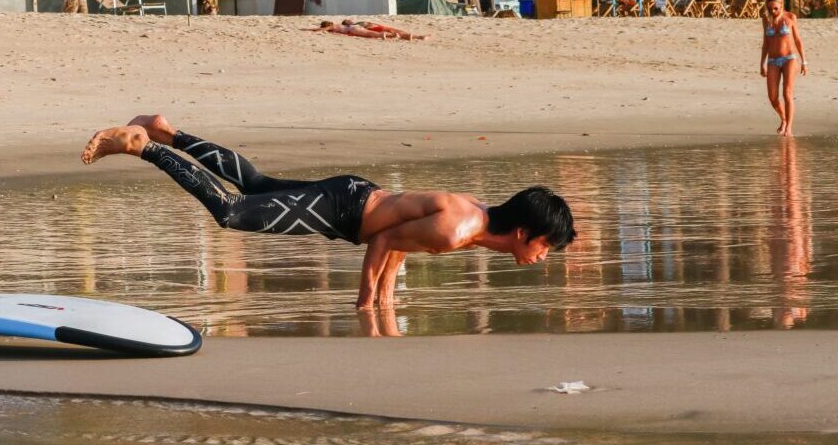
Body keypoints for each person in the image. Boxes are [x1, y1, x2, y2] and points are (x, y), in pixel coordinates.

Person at [81, 115, 576, 310]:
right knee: (231, 212)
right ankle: (143, 144)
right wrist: (366, 304)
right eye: (545, 246)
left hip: (354, 197)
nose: (543, 256)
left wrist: (386, 306)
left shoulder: (474, 217)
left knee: (255, 184)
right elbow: (384, 242)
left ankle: (168, 132)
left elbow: (400, 242)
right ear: (523, 231)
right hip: (342, 209)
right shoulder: (460, 228)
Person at [760, 0, 809, 136]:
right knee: (772, 97)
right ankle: (784, 119)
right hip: (772, 61)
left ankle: (789, 129)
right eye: (770, 9)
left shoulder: (791, 17)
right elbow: (765, 43)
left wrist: (804, 61)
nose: (773, 11)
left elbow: (798, 41)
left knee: (787, 94)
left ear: (781, 5)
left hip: (789, 59)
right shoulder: (766, 19)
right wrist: (762, 63)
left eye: (775, 8)